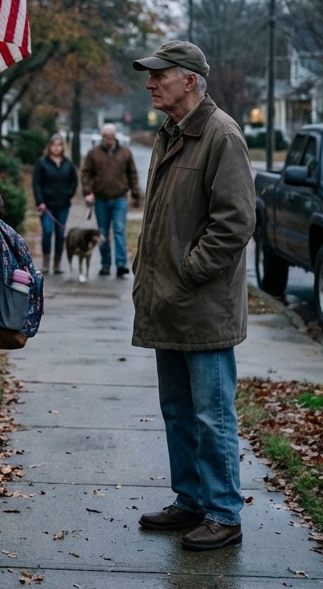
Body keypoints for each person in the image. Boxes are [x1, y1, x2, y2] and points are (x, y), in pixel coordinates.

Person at [131, 40, 255, 551]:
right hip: (168, 303)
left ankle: (224, 514)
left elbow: (235, 223)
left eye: (160, 74)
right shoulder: (170, 133)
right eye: (150, 75)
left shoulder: (221, 134)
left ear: (190, 79)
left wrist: (186, 273)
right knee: (178, 411)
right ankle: (190, 502)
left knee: (212, 414)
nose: (150, 83)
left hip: (201, 305)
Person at [80, 123, 141, 277]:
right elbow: (85, 173)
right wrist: (87, 192)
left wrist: (135, 194)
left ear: (115, 136)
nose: (109, 139)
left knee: (120, 231)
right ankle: (105, 264)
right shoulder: (93, 153)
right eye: (106, 136)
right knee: (103, 233)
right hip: (101, 199)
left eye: (111, 136)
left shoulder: (125, 153)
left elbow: (132, 174)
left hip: (120, 198)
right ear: (102, 137)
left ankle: (121, 264)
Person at [31, 133, 78, 275]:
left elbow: (74, 181)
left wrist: (68, 194)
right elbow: (36, 184)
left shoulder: (68, 164)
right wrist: (40, 201)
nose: (56, 148)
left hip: (63, 205)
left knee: (60, 233)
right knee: (47, 231)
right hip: (47, 206)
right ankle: (46, 263)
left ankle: (57, 264)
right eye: (54, 145)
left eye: (59, 145)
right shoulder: (42, 163)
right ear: (50, 146)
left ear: (63, 147)